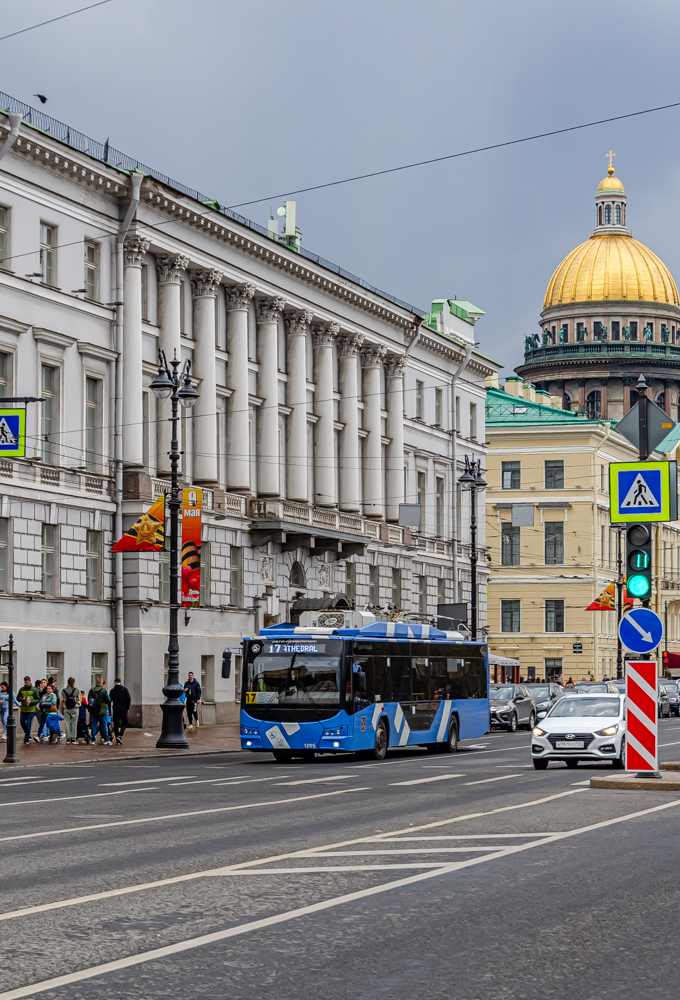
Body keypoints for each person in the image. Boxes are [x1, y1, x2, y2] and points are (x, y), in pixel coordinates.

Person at [87, 676, 111, 746]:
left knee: (93, 725)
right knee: (104, 724)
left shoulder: (91, 690)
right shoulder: (103, 691)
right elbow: (108, 700)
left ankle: (93, 740)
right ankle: (106, 739)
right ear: (101, 683)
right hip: (102, 710)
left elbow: (89, 699)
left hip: (93, 710)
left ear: (96, 683)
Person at [17, 676, 40, 744]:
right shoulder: (21, 689)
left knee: (29, 724)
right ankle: (27, 733)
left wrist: (31, 702)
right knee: (22, 722)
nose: (26, 683)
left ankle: (26, 738)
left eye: (27, 682)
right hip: (23, 709)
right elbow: (17, 697)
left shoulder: (34, 689)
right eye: (25, 682)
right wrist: (20, 698)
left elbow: (37, 699)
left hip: (31, 709)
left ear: (30, 681)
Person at [109, 677, 131, 745]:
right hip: (123, 708)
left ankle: (117, 737)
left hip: (115, 708)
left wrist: (110, 710)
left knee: (116, 723)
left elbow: (109, 701)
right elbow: (129, 699)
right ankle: (120, 734)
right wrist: (127, 708)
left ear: (115, 683)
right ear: (120, 682)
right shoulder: (125, 689)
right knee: (125, 722)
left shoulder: (112, 691)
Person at [61, 677, 80, 744]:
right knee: (74, 724)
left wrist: (62, 710)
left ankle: (68, 739)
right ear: (73, 683)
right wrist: (77, 704)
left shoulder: (63, 691)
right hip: (74, 708)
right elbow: (79, 700)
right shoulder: (76, 690)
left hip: (66, 708)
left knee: (67, 723)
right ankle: (73, 739)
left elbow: (61, 701)